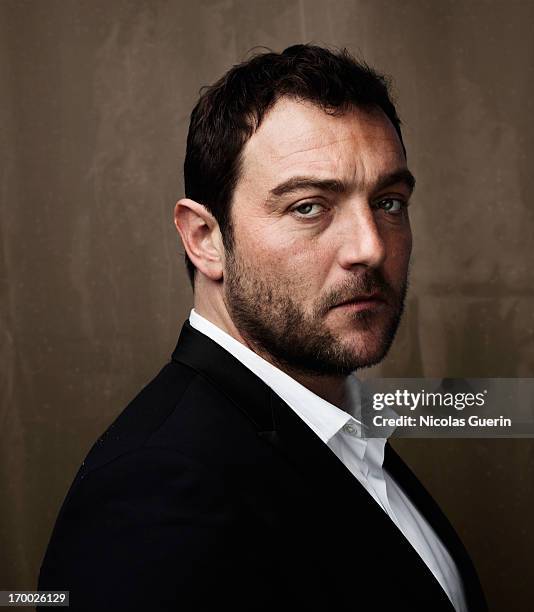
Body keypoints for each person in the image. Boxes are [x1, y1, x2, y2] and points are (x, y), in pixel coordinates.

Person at [38, 44, 487, 611]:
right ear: (205, 238)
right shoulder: (155, 494)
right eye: (308, 206)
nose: (370, 247)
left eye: (389, 203)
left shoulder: (340, 426)